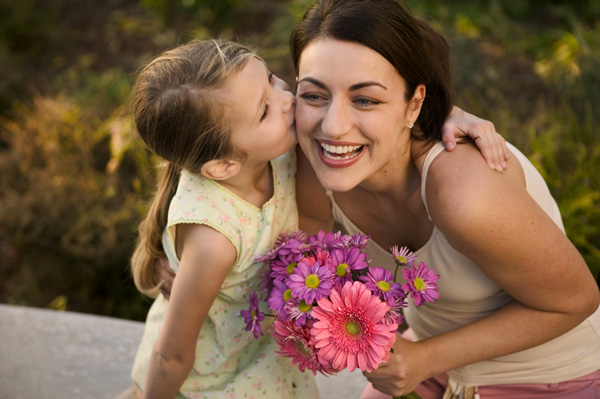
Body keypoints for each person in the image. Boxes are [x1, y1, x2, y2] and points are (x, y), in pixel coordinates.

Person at [287, 0, 600, 398]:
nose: (332, 126)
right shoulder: (314, 157)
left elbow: (577, 300)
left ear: (414, 103)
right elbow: (308, 250)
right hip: (434, 357)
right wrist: (189, 251)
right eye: (314, 95)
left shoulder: (465, 195)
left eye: (365, 99)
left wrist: (425, 358)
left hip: (550, 376)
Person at [127, 39, 319, 399]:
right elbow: (172, 355)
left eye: (272, 78)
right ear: (224, 165)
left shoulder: (277, 152)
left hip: (263, 353)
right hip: (213, 376)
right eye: (264, 110)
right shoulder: (214, 236)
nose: (286, 98)